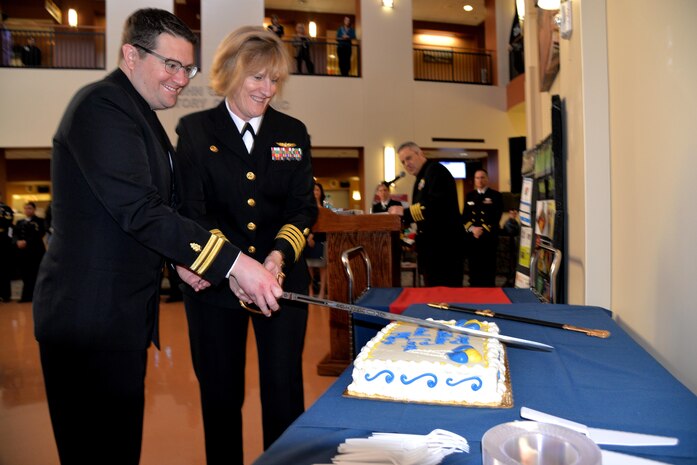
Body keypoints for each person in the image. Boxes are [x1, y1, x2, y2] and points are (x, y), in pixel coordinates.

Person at [32, 9, 283, 465]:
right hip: (88, 321)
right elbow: (140, 211)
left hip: (121, 318)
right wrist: (236, 263)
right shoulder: (101, 107)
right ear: (131, 54)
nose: (182, 79)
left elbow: (153, 211)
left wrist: (182, 263)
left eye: (186, 68)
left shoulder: (141, 115)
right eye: (171, 65)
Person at [174, 26, 317, 465]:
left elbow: (301, 211)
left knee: (284, 391)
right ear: (231, 73)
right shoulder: (196, 131)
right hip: (216, 286)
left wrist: (277, 256)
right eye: (258, 78)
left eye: (274, 80)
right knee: (220, 395)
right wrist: (234, 267)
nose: (267, 89)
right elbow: (192, 213)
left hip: (281, 283)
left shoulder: (292, 132)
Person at [388, 142, 465, 287]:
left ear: (420, 153)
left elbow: (435, 206)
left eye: (409, 158)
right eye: (403, 162)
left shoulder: (435, 171)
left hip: (444, 249)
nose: (407, 164)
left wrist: (404, 212)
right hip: (431, 248)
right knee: (434, 296)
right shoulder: (422, 177)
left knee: (446, 296)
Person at [463, 168, 503, 287]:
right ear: (474, 180)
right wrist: (472, 229)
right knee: (473, 267)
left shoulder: (495, 195)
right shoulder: (470, 196)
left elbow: (496, 216)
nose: (480, 180)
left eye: (482, 177)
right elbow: (465, 216)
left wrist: (482, 229)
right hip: (472, 238)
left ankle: (489, 292)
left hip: (488, 237)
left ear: (487, 179)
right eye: (477, 178)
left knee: (488, 268)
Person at [13, 201, 45, 302]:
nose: (27, 210)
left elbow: (40, 234)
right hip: (23, 253)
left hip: (35, 252)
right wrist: (17, 242)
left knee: (35, 274)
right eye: (26, 208)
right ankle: (26, 296)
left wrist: (26, 242)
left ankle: (36, 296)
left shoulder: (40, 221)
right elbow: (14, 234)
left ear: (34, 209)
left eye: (30, 208)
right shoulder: (19, 222)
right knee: (25, 274)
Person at [305, 182, 327, 298]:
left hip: (321, 239)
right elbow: (305, 223)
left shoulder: (325, 208)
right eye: (313, 190)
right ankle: (311, 291)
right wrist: (309, 236)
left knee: (322, 267)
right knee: (309, 267)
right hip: (309, 239)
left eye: (317, 190)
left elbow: (326, 225)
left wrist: (314, 236)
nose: (315, 192)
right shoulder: (307, 207)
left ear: (321, 192)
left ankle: (322, 291)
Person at [0, 193, 13, 302]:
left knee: (4, 269)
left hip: (3, 241)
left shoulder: (6, 209)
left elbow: (7, 222)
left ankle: (6, 295)